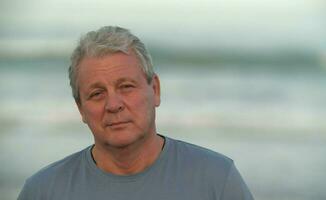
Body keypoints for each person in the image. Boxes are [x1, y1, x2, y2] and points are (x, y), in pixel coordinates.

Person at [18, 26, 254, 200]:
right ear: (80, 108)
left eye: (126, 87)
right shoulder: (43, 191)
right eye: (97, 93)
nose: (113, 104)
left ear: (155, 90)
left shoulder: (216, 180)